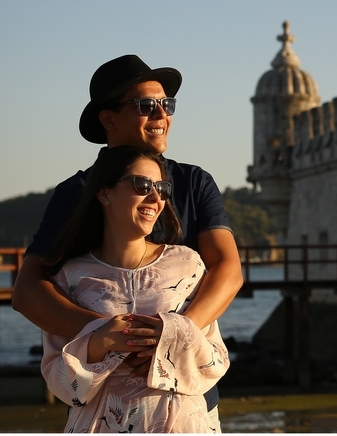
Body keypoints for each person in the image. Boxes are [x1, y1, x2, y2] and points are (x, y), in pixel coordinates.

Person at [13, 55, 243, 426]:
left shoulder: (194, 182)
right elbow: (28, 291)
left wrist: (168, 337)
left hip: (187, 403)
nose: (162, 114)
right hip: (102, 411)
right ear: (109, 119)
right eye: (147, 106)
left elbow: (228, 269)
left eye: (167, 104)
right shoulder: (75, 193)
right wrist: (110, 334)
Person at [41, 145, 229, 433]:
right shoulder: (71, 275)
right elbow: (60, 383)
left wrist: (170, 334)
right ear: (105, 194)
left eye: (162, 189)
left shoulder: (187, 264)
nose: (155, 197)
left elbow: (216, 361)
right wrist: (99, 341)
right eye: (142, 185)